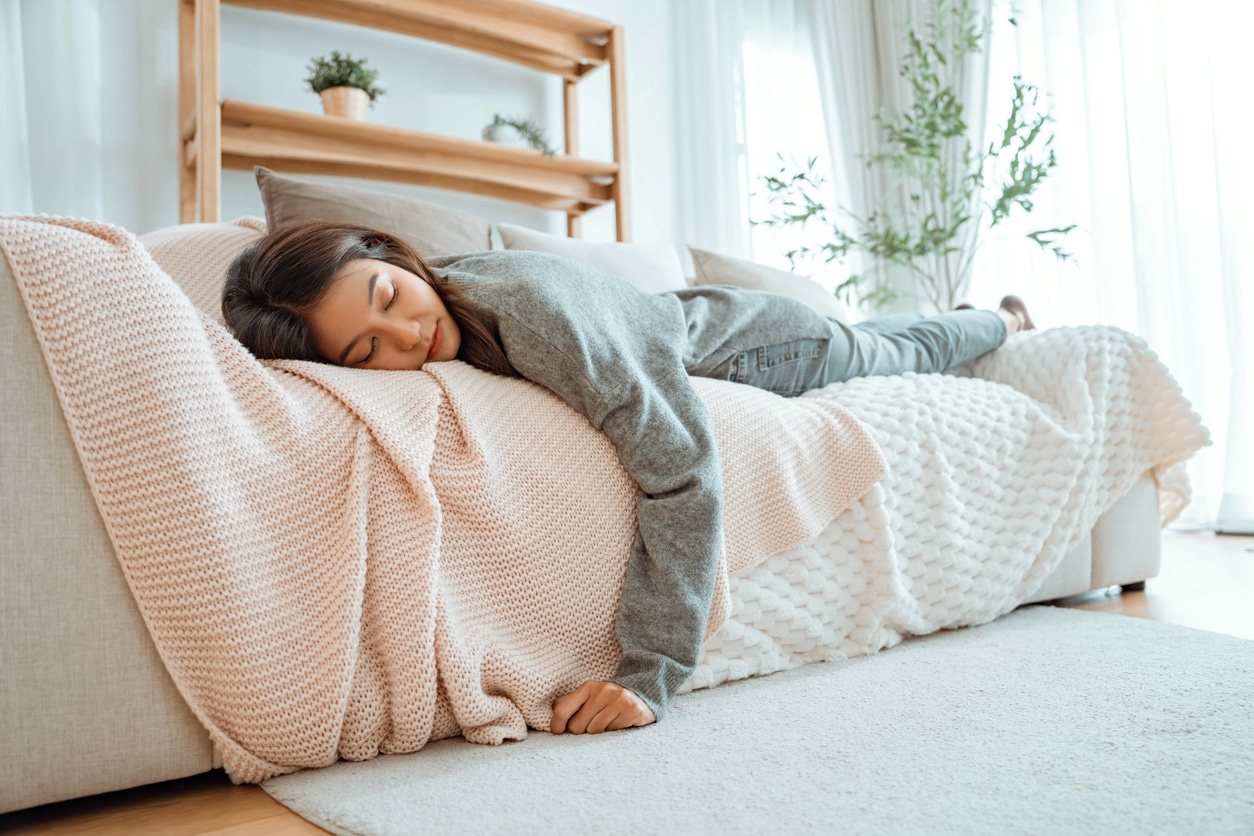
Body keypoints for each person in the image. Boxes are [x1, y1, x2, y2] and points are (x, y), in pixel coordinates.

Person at [222, 221, 1033, 738]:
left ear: (392, 255)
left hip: (755, 346)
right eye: (367, 352)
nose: (409, 333)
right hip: (684, 316)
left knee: (886, 350)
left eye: (390, 295)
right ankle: (972, 313)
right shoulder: (449, 300)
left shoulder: (533, 316)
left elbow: (682, 469)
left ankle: (1001, 320)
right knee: (873, 335)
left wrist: (650, 673)